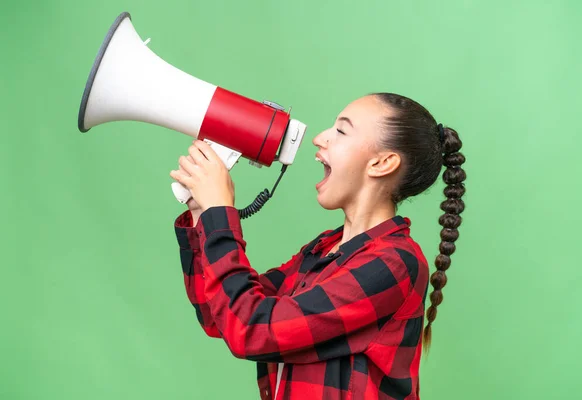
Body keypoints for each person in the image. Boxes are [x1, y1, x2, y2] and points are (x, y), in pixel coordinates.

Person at [170, 92, 466, 400]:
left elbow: (252, 329)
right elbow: (220, 317)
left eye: (341, 131)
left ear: (382, 163)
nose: (319, 138)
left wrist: (220, 212)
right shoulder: (324, 249)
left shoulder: (393, 264)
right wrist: (202, 213)